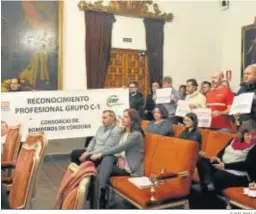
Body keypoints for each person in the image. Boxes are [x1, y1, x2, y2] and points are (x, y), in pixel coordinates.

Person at [90, 108, 144, 208]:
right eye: (123, 116)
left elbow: (119, 147)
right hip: (121, 163)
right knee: (106, 160)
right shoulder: (123, 132)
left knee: (100, 166)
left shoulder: (136, 135)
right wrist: (120, 157)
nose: (122, 119)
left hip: (130, 168)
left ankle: (99, 198)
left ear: (132, 120)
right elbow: (119, 151)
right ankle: (101, 195)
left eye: (126, 117)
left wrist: (100, 154)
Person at [197, 120, 256, 192]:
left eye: (254, 135)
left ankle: (208, 188)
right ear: (243, 133)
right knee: (202, 162)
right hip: (223, 166)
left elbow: (246, 165)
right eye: (248, 134)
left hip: (239, 174)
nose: (251, 137)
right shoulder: (233, 140)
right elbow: (222, 152)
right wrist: (218, 158)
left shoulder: (254, 147)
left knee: (218, 175)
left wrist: (225, 166)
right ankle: (209, 185)